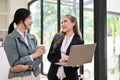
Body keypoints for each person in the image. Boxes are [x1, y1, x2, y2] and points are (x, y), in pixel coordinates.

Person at [4, 8, 45, 80]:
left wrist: (27, 67)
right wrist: (34, 55)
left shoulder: (32, 37)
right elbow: (15, 64)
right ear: (21, 19)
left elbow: (39, 59)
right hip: (19, 77)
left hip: (35, 76)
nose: (32, 22)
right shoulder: (10, 39)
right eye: (29, 18)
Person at [47, 14, 83, 80]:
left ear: (73, 23)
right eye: (62, 22)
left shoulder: (79, 41)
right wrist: (60, 60)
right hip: (54, 76)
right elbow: (50, 57)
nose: (63, 24)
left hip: (70, 77)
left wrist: (75, 63)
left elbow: (77, 65)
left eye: (65, 21)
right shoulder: (57, 37)